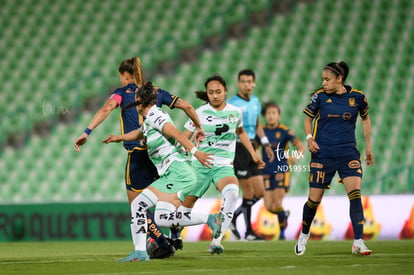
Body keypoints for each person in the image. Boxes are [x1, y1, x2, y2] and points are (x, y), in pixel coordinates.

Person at [73, 57, 204, 258]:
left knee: (137, 204)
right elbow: (186, 106)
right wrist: (199, 126)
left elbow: (107, 108)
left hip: (139, 155)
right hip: (162, 156)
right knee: (166, 199)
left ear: (126, 76)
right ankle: (175, 231)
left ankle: (160, 242)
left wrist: (87, 131)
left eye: (121, 77)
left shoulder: (121, 93)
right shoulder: (156, 92)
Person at [102, 82, 222, 262]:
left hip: (178, 170)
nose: (135, 107)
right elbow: (138, 133)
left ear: (140, 101)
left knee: (138, 204)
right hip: (173, 173)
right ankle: (211, 219)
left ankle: (140, 252)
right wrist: (118, 137)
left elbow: (177, 134)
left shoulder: (155, 115)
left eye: (136, 102)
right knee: (163, 218)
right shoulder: (149, 120)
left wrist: (196, 153)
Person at [295, 61, 374, 256]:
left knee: (355, 193)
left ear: (340, 79)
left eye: (327, 79)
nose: (323, 83)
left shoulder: (358, 97)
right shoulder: (320, 97)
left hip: (348, 154)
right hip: (323, 155)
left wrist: (369, 147)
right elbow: (307, 118)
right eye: (322, 79)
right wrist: (309, 138)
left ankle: (358, 242)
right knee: (314, 201)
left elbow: (365, 119)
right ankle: (304, 234)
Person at [181, 75, 265, 254]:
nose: (215, 96)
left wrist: (254, 155)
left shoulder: (235, 112)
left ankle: (216, 241)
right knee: (183, 208)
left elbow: (241, 132)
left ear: (225, 92)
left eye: (218, 92)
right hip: (200, 166)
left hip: (223, 166)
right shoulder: (199, 112)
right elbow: (183, 138)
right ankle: (173, 235)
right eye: (211, 92)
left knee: (233, 193)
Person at [228, 69, 274, 241]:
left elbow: (257, 125)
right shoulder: (232, 103)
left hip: (253, 148)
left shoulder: (255, 101)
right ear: (239, 83)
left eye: (249, 81)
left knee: (260, 192)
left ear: (253, 83)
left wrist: (266, 144)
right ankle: (249, 232)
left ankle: (233, 217)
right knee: (247, 191)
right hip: (238, 149)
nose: (247, 84)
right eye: (243, 81)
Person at [256, 102, 304, 240]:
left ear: (278, 115)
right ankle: (284, 215)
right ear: (265, 116)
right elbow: (254, 147)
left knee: (277, 204)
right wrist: (256, 158)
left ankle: (282, 233)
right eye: (268, 114)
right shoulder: (261, 131)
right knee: (268, 207)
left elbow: (300, 146)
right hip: (265, 171)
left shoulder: (284, 131)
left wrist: (295, 157)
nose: (271, 116)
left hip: (280, 170)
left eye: (273, 113)